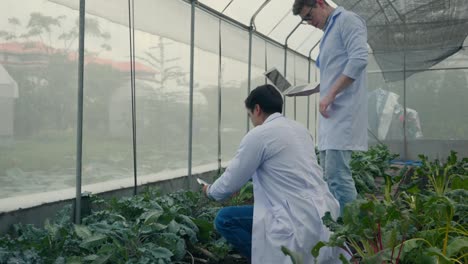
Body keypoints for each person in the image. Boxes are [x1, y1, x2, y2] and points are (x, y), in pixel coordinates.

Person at [202, 84, 347, 263]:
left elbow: (229, 182)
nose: (252, 120)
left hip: (295, 217)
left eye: (250, 115)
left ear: (257, 109)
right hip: (325, 212)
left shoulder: (259, 135)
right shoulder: (300, 130)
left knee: (225, 219)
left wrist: (210, 190)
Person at [292, 0, 369, 215]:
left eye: (309, 16)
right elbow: (334, 73)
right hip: (332, 114)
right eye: (305, 21)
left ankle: (351, 233)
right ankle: (338, 227)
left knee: (337, 175)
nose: (310, 23)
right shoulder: (329, 31)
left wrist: (331, 94)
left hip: (343, 111)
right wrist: (312, 89)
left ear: (320, 3)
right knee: (330, 174)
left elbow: (359, 59)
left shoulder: (348, 21)